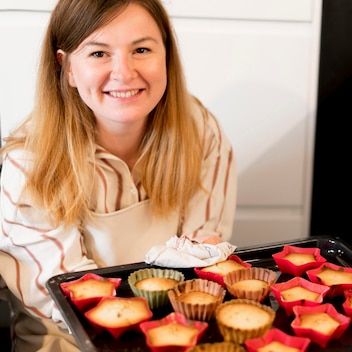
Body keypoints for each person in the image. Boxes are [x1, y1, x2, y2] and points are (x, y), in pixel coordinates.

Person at [0, 0, 237, 350]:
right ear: (66, 68)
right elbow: (75, 301)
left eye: (141, 49)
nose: (124, 72)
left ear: (166, 57)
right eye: (99, 53)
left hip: (175, 332)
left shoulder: (201, 130)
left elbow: (204, 254)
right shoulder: (32, 165)